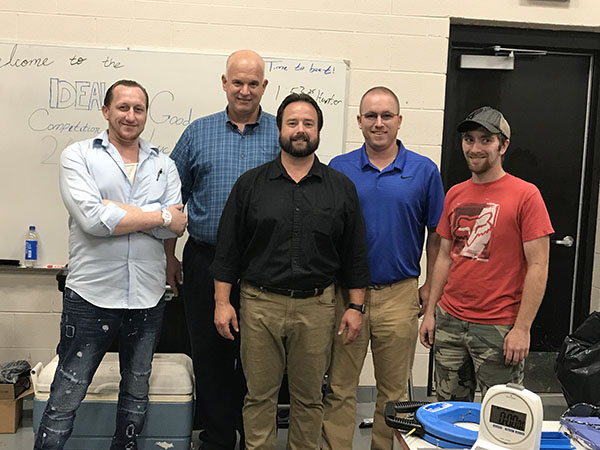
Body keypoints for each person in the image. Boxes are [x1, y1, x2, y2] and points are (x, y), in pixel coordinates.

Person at [210, 93, 371, 450]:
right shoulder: (251, 185)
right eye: (292, 123)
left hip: (317, 308)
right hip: (259, 305)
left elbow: (354, 254)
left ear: (318, 131)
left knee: (309, 398)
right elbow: (228, 251)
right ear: (279, 129)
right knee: (259, 396)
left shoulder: (340, 188)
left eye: (308, 124)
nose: (300, 130)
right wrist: (223, 302)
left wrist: (356, 307)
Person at [34, 79, 187, 450]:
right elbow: (92, 221)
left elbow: (178, 224)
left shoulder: (164, 165)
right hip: (91, 295)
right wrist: (158, 216)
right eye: (122, 107)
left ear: (146, 115)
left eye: (138, 109)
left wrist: (120, 215)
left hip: (148, 297)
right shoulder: (79, 156)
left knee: (137, 390)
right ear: (106, 111)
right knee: (67, 393)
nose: (130, 116)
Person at [166, 49, 280, 449]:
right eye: (238, 82)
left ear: (264, 86)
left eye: (253, 83)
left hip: (263, 266)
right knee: (210, 356)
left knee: (258, 360)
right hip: (205, 260)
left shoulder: (282, 133)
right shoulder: (198, 133)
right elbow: (171, 198)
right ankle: (216, 438)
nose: (245, 90)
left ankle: (254, 437)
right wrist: (169, 256)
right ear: (224, 82)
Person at [321, 86, 445, 450]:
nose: (379, 123)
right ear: (359, 121)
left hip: (400, 294)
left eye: (386, 116)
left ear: (399, 121)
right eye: (371, 116)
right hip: (347, 298)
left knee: (393, 394)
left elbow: (438, 237)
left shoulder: (424, 171)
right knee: (340, 387)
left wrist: (429, 291)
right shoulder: (339, 169)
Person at [419, 106, 554, 401]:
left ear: (503, 145)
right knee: (448, 412)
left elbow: (539, 265)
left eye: (485, 140)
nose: (475, 148)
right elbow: (444, 256)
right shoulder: (455, 193)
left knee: (501, 416)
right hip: (450, 321)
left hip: (498, 326)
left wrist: (522, 328)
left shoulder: (526, 195)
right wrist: (431, 313)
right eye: (469, 139)